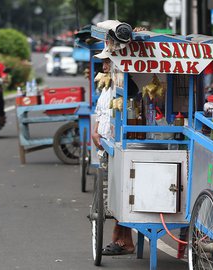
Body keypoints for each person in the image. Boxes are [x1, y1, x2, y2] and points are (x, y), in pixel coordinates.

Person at [91, 50, 135, 256]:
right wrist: (94, 131)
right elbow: (100, 112)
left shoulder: (127, 85)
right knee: (112, 194)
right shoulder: (106, 86)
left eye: (108, 62)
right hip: (105, 146)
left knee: (120, 194)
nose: (104, 66)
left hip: (120, 148)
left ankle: (122, 240)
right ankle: (121, 238)